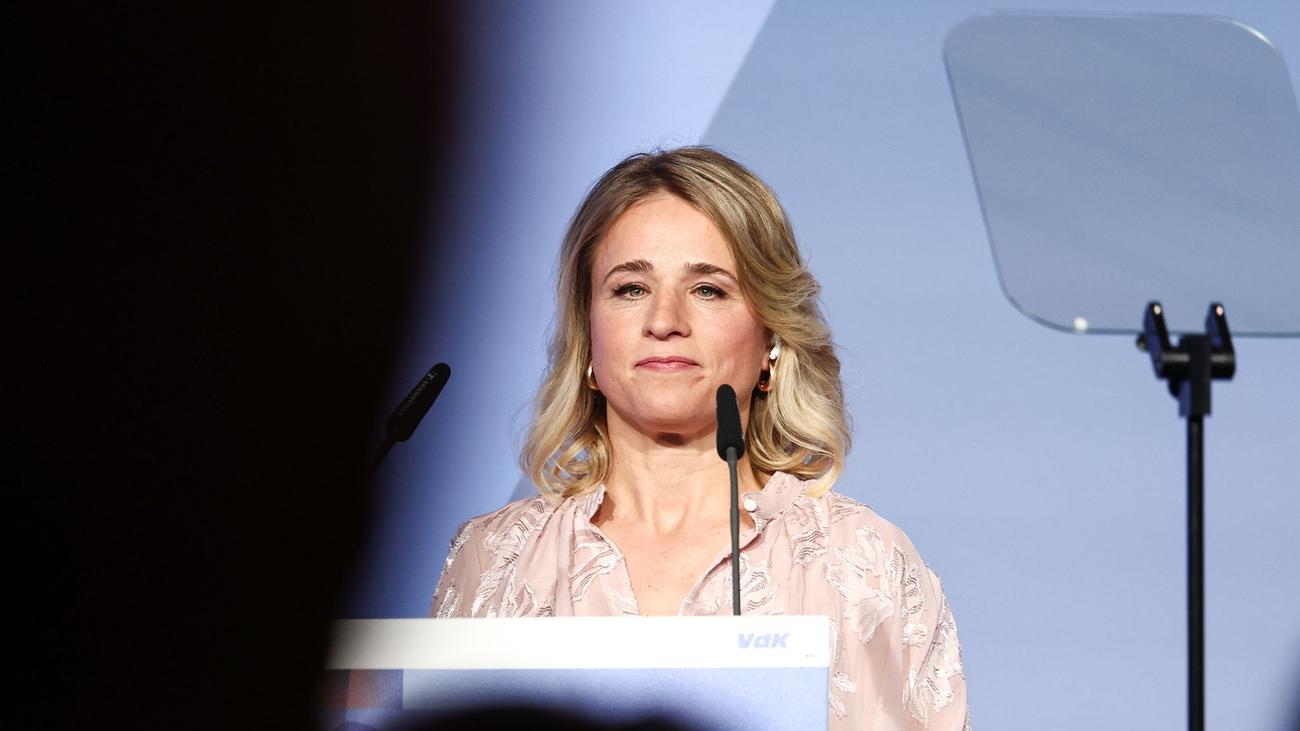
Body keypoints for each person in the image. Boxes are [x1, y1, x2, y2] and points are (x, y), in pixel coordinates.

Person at [431, 147, 970, 729]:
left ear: (770, 340)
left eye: (708, 289)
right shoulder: (496, 558)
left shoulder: (865, 565)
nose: (664, 321)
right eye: (630, 288)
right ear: (587, 336)